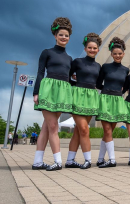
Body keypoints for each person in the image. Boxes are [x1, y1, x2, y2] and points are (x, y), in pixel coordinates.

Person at [32, 17, 73, 171]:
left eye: (66, 35)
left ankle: (37, 162)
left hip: (62, 92)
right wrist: (36, 92)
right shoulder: (47, 52)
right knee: (53, 126)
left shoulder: (69, 58)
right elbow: (40, 72)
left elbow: (69, 77)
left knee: (46, 127)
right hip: (48, 90)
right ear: (55, 36)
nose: (64, 38)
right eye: (61, 35)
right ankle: (57, 162)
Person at [66, 33, 102, 170]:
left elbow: (98, 84)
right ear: (85, 48)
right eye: (89, 47)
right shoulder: (78, 62)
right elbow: (67, 76)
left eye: (95, 48)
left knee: (78, 131)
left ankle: (70, 160)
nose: (92, 50)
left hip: (91, 97)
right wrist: (75, 86)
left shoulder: (98, 66)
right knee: (84, 129)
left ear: (98, 49)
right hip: (79, 96)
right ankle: (88, 160)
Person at [96, 37, 130, 168]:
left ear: (123, 54)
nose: (117, 56)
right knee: (107, 130)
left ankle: (100, 159)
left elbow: (126, 85)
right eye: (115, 54)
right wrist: (106, 90)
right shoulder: (105, 67)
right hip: (105, 99)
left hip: (117, 100)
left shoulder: (125, 70)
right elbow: (98, 83)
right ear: (111, 54)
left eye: (119, 54)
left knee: (109, 132)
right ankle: (112, 159)